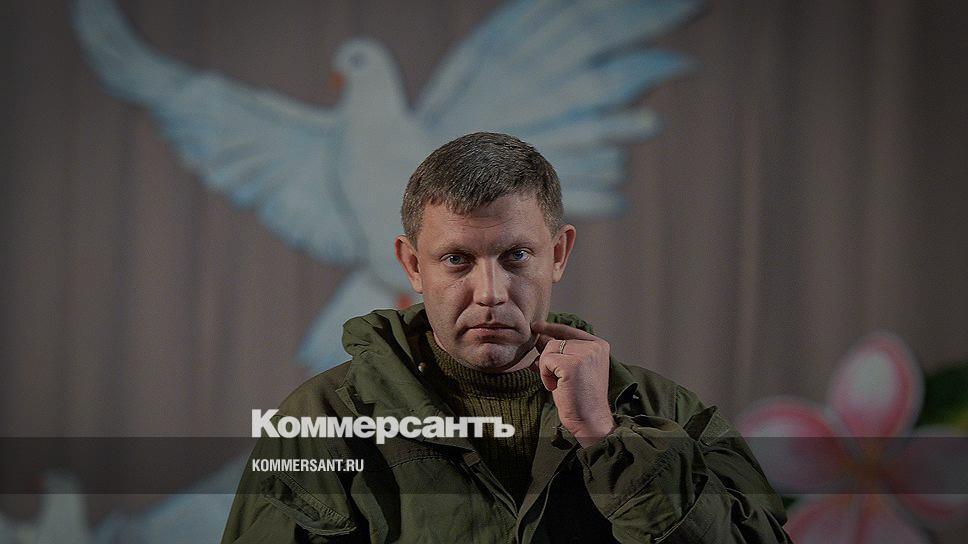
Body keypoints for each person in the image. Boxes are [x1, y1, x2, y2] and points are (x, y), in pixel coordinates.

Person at [221, 132, 791, 543]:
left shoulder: (665, 413)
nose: (490, 292)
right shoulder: (322, 420)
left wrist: (608, 439)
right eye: (456, 260)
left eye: (516, 255)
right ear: (413, 265)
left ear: (558, 254)